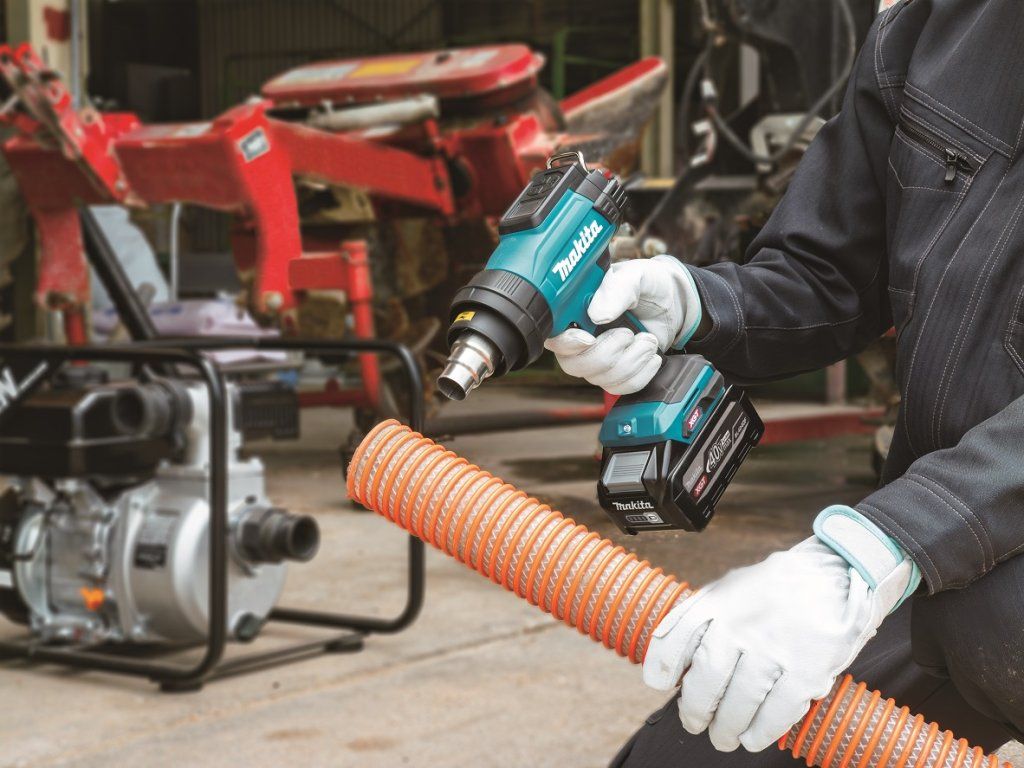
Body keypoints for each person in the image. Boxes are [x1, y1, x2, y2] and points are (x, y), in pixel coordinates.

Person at [544, 1, 1024, 764]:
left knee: (994, 618)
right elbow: (830, 271)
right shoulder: (934, 33)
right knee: (690, 752)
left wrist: (876, 547)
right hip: (940, 573)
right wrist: (692, 303)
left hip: (973, 578)